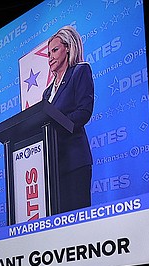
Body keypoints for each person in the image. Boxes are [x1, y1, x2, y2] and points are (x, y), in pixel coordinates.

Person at [42, 25, 94, 213]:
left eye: (54, 50)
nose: (50, 58)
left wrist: (56, 126)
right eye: (48, 54)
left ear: (68, 48)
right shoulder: (47, 92)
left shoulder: (80, 71)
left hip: (75, 161)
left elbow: (83, 112)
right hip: (54, 167)